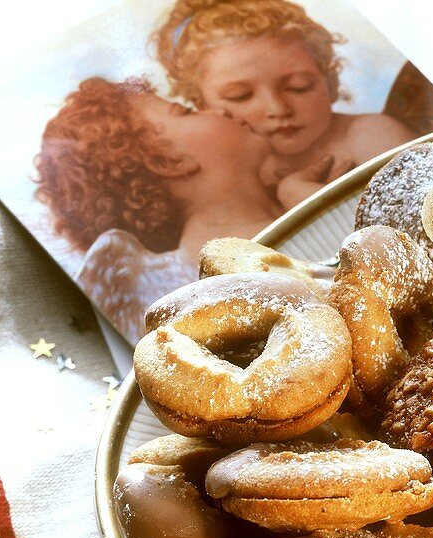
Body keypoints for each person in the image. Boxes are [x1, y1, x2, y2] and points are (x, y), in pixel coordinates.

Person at [35, 76, 284, 343]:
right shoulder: (191, 284)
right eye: (187, 112)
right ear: (169, 161)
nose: (220, 110)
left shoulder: (294, 193)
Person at [154, 0, 418, 207]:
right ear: (204, 107)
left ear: (330, 83)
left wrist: (310, 200)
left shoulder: (369, 134)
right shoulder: (231, 179)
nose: (278, 109)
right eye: (241, 96)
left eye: (298, 87)